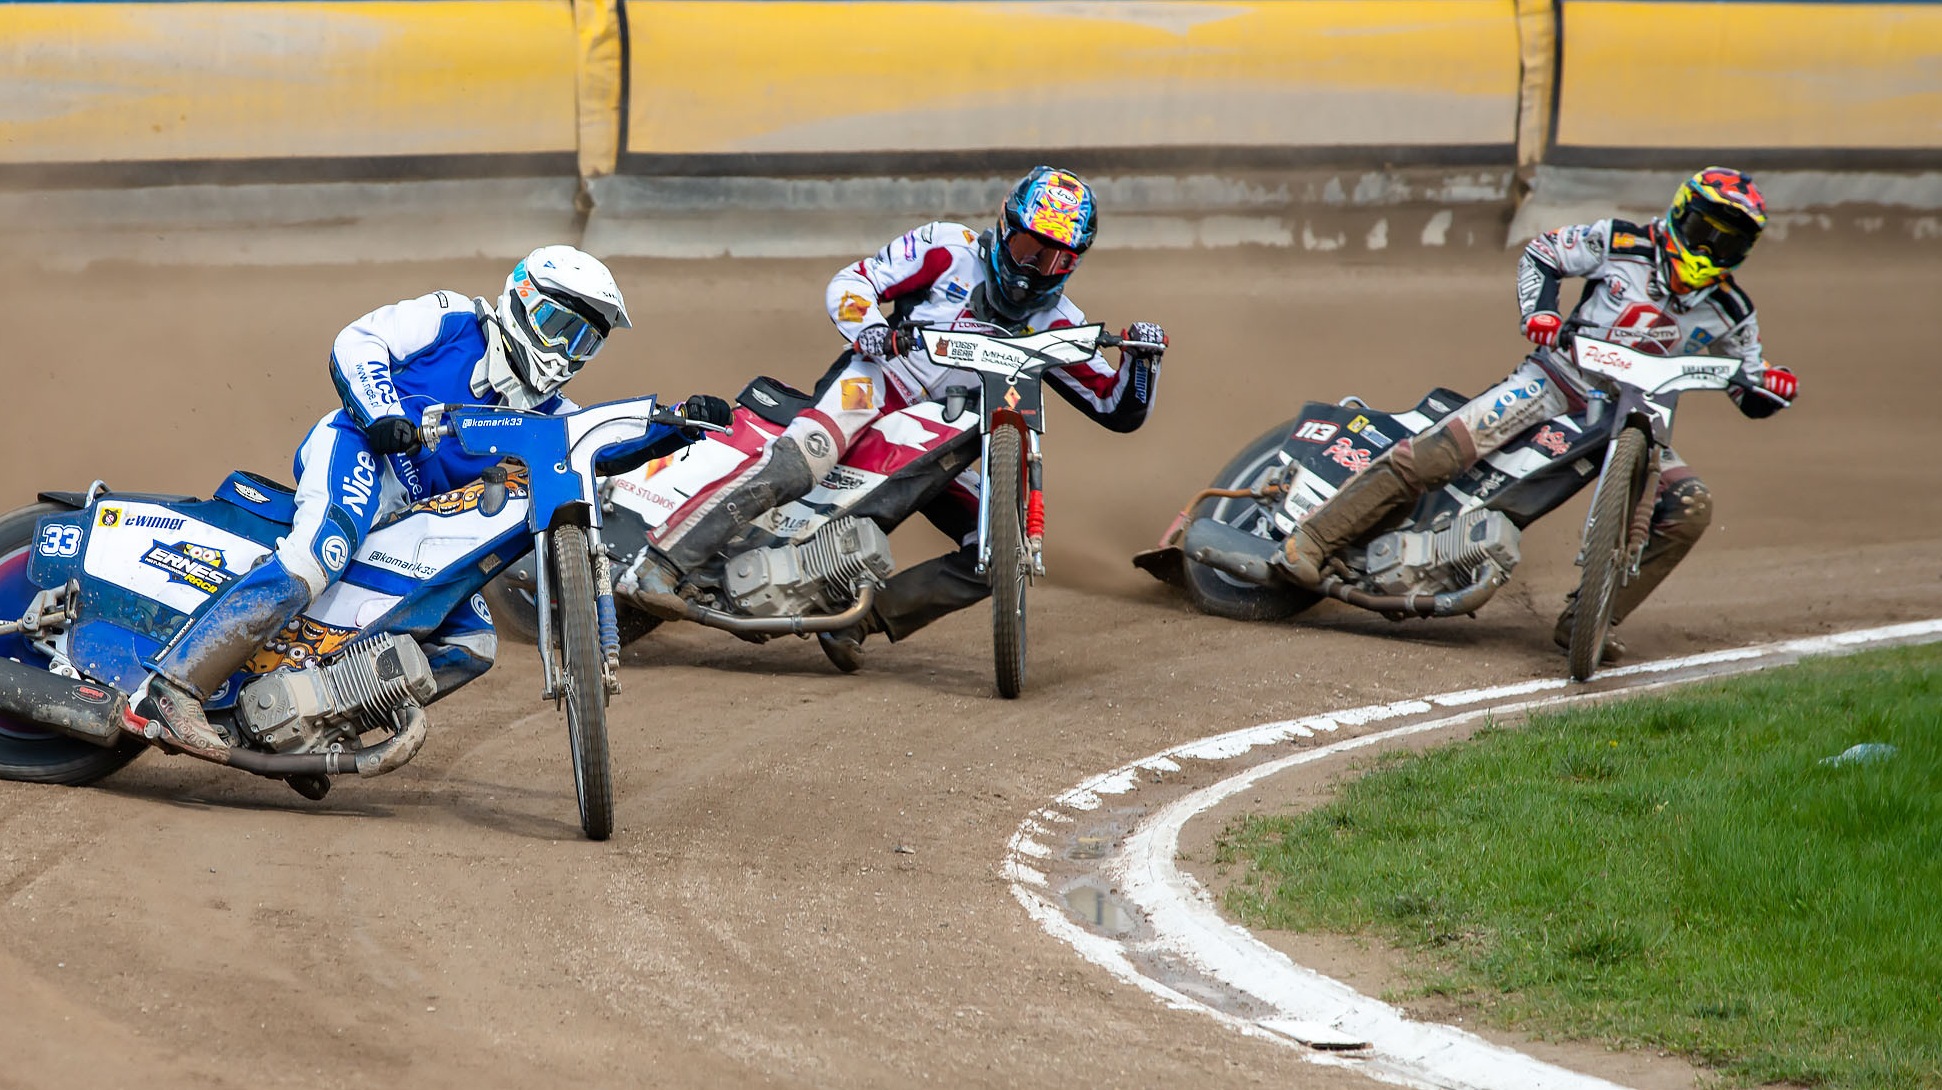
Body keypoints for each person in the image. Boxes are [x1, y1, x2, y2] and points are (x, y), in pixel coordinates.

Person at [130, 247, 724, 756]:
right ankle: (173, 689)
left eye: (583, 340)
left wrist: (678, 425)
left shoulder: (550, 415)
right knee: (320, 552)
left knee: (473, 643)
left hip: (417, 516)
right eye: (557, 325)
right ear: (521, 299)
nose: (565, 351)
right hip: (362, 450)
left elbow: (599, 445)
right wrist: (383, 412)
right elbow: (358, 340)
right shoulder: (453, 318)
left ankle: (314, 723)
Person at [621, 166, 1168, 664]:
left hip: (950, 438)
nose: (1032, 270)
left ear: (1074, 263)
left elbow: (1116, 407)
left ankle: (859, 621)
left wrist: (1143, 362)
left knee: (1001, 552)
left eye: (1053, 259)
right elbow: (852, 282)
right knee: (798, 463)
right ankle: (661, 564)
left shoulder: (1062, 324)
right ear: (1005, 226)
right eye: (1028, 247)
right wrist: (869, 329)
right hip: (878, 383)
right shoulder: (947, 247)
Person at [1272, 166, 1798, 658]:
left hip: (1637, 418)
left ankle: (1592, 620)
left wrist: (1772, 387)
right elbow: (1544, 252)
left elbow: (1749, 387)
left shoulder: (1733, 311)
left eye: (1727, 242)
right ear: (1682, 213)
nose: (1709, 248)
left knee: (1692, 507)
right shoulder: (1620, 241)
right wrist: (1540, 312)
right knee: (1441, 454)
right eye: (1705, 230)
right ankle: (1313, 540)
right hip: (1555, 380)